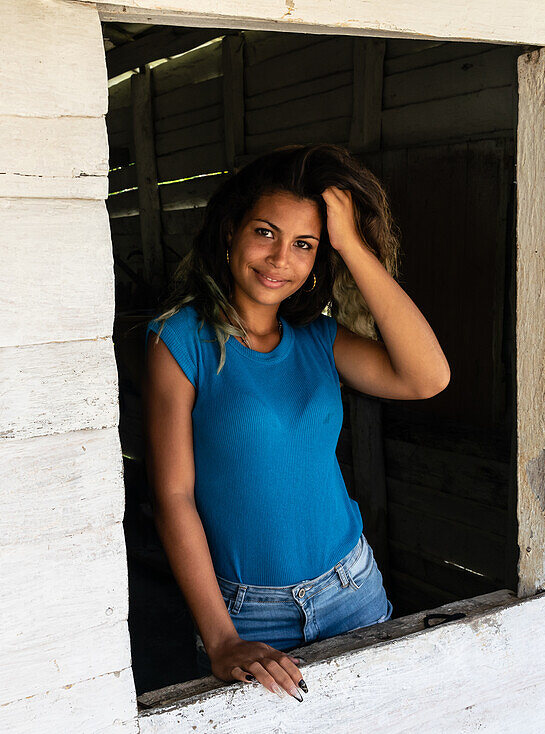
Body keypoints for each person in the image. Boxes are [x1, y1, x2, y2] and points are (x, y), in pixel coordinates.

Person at [141, 143, 450, 702]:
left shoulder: (320, 338)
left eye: (304, 245)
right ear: (232, 230)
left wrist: (351, 245)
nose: (280, 257)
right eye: (266, 233)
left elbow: (425, 378)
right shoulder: (180, 340)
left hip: (352, 589)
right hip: (247, 615)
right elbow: (174, 495)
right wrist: (221, 638)